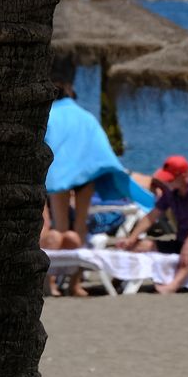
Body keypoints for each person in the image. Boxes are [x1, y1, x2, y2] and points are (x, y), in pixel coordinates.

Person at [43, 80, 155, 250]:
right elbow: (100, 146)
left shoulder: (49, 116)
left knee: (60, 227)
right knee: (81, 226)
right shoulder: (85, 116)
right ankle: (75, 276)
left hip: (59, 177)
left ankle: (54, 274)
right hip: (87, 176)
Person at [116, 154, 188, 293]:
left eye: (171, 179)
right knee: (138, 245)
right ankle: (117, 282)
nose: (168, 182)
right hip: (181, 240)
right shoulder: (171, 192)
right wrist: (131, 238)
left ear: (184, 175)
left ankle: (173, 285)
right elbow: (151, 217)